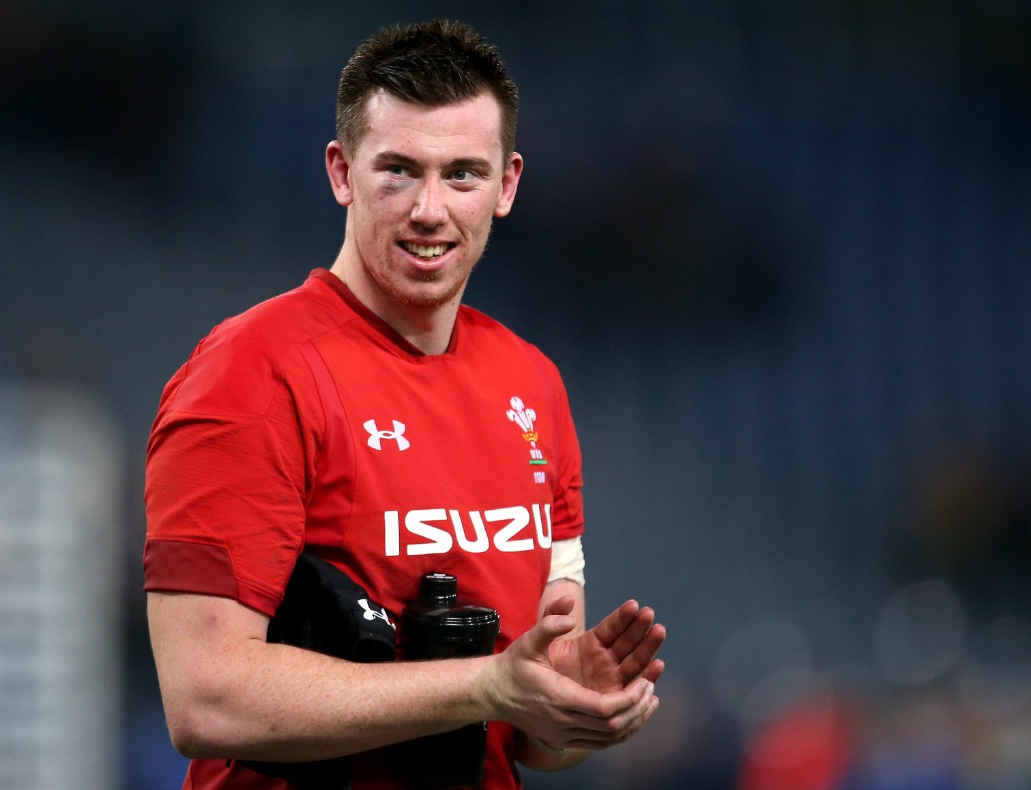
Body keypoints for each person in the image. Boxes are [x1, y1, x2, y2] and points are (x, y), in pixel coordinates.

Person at [144, 18, 666, 790]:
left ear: (507, 186)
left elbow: (530, 743)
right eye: (398, 170)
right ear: (341, 172)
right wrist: (484, 686)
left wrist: (573, 707)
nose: (429, 209)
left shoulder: (533, 385)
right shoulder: (250, 376)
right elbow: (205, 700)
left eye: (463, 175)